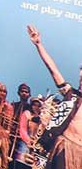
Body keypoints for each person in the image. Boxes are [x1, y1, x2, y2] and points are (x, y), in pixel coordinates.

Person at [26, 25, 82, 168]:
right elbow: (53, 70)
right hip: (65, 147)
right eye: (81, 77)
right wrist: (39, 45)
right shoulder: (71, 95)